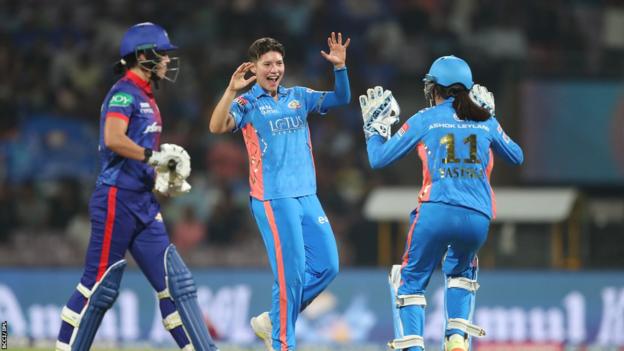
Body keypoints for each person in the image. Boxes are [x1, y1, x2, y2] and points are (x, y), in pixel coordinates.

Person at [55, 22, 219, 351]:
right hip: (116, 198)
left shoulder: (147, 97)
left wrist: (160, 179)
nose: (167, 62)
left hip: (143, 202)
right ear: (144, 56)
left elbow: (139, 157)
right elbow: (113, 139)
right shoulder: (123, 92)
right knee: (99, 287)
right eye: (163, 55)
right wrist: (154, 157)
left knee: (176, 284)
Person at [361, 56, 523, 351]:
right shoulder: (485, 120)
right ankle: (457, 337)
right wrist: (490, 118)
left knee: (408, 279)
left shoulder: (426, 118)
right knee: (462, 271)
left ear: (434, 88)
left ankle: (413, 347)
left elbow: (378, 159)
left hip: (435, 211)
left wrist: (374, 130)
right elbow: (517, 156)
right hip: (477, 218)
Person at [209, 33, 351, 351]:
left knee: (329, 266)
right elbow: (217, 127)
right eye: (267, 64)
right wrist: (232, 89)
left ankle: (274, 320)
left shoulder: (299, 96)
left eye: (279, 63)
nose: (275, 69)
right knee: (292, 276)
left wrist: (340, 68)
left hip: (306, 195)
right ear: (254, 68)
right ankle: (281, 343)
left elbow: (341, 99)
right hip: (273, 198)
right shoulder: (247, 103)